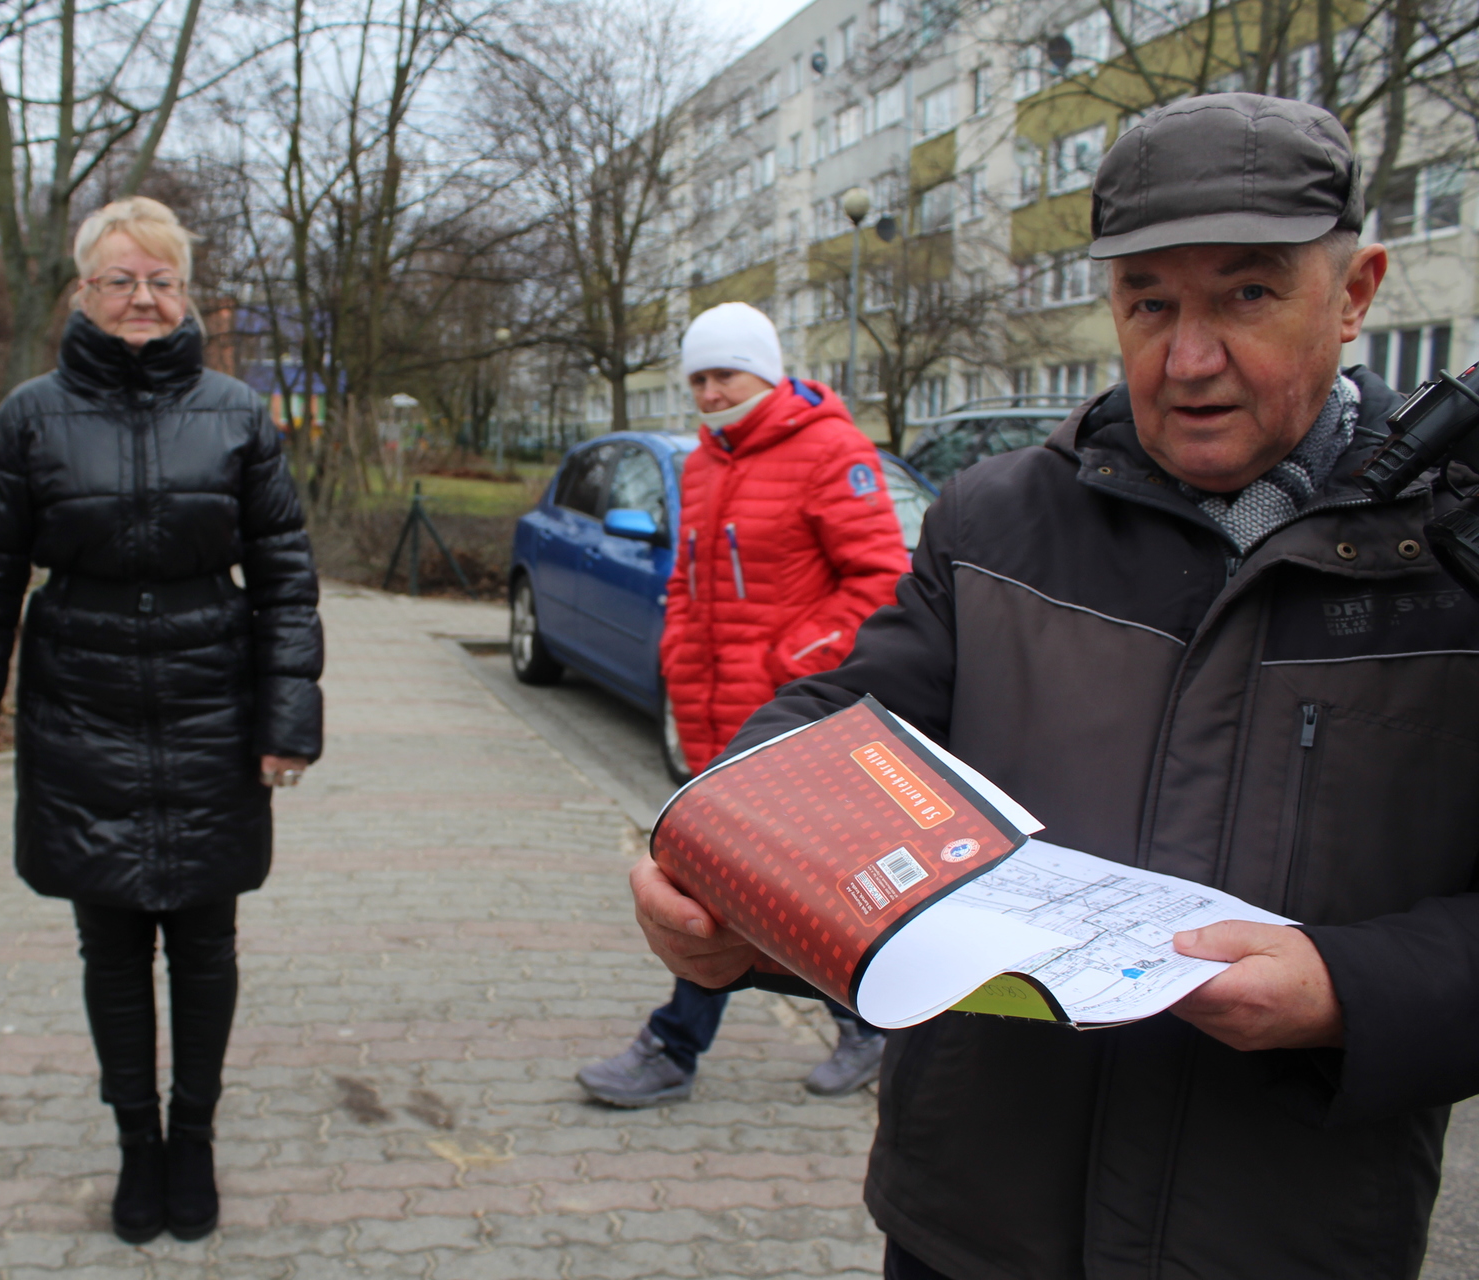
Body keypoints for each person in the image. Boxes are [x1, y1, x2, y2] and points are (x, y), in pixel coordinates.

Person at [630, 94, 1479, 1280]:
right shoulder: (995, 522)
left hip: (1287, 1236)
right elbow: (846, 729)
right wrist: (723, 852)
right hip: (970, 1222)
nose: (1189, 359)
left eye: (1248, 293)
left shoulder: (1455, 563)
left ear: (1354, 293)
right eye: (1149, 301)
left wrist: (1356, 989)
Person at [0, 196, 323, 1246]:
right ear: (83, 292)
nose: (142, 298)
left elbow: (285, 579)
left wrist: (287, 718)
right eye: (120, 279)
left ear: (186, 293)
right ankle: (135, 1142)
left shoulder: (238, 414)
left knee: (205, 941)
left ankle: (193, 1136)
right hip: (81, 714)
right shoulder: (30, 417)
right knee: (108, 945)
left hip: (210, 710)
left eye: (161, 280)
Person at [579, 303, 910, 1108]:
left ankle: (672, 1048)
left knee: (717, 888)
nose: (710, 392)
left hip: (789, 719)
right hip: (712, 714)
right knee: (770, 889)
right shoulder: (701, 463)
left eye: (724, 374)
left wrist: (784, 666)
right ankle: (864, 1026)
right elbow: (688, 580)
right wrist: (677, 659)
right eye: (697, 378)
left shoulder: (832, 450)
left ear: (765, 370)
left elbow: (880, 582)